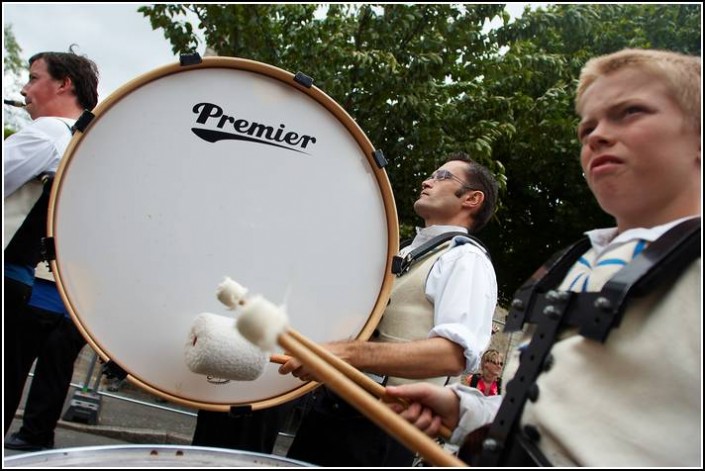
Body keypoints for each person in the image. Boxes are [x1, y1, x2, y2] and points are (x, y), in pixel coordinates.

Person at [385, 48, 701, 467]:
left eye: (629, 112)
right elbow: (555, 411)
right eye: (588, 125)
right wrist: (468, 411)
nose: (596, 135)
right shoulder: (583, 258)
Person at [279, 152, 500, 466]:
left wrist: (343, 354)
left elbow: (452, 354)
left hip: (383, 428)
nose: (427, 181)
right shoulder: (407, 251)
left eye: (442, 177)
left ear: (472, 199)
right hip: (336, 409)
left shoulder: (466, 260)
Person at [4, 47, 99, 436]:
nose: (25, 89)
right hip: (22, 279)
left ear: (64, 84)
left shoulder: (47, 133)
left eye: (33, 77)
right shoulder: (84, 147)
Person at [4, 263, 87, 451]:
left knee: (13, 370)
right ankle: (37, 434)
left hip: (41, 291)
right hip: (80, 301)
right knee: (54, 373)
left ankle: (36, 435)